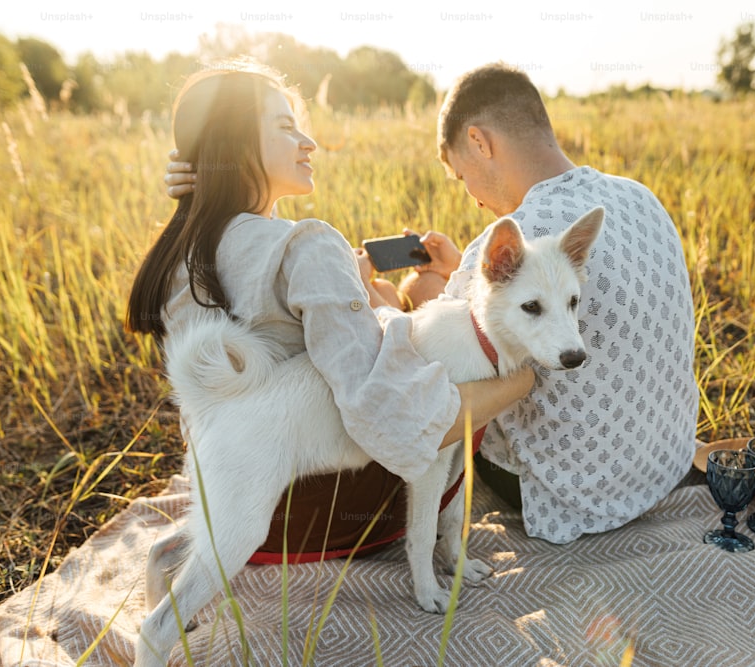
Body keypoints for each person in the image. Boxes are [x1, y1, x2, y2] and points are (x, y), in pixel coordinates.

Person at [162, 62, 698, 545]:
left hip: (566, 492)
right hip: (665, 461)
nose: (472, 196)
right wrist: (437, 288)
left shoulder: (513, 236)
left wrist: (383, 293)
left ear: (479, 141)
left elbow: (419, 361)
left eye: (461, 175)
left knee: (445, 377)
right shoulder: (639, 197)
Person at [129, 58, 534, 561]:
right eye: (285, 126)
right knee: (464, 350)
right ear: (233, 144)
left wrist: (359, 292)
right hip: (319, 517)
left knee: (411, 299)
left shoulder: (178, 250)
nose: (308, 142)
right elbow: (387, 411)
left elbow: (252, 274)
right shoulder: (307, 245)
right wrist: (516, 383)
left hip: (228, 515)